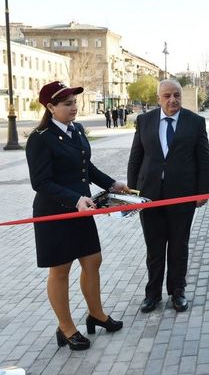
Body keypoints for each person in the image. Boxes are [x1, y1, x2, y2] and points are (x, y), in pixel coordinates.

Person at [25, 81, 129, 351]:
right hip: (54, 213)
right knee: (60, 270)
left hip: (82, 209)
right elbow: (40, 182)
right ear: (51, 107)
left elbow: (86, 167)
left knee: (93, 260)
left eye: (75, 102)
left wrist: (112, 184)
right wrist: (74, 199)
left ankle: (96, 314)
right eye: (67, 104)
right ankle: (66, 328)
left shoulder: (77, 129)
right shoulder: (40, 138)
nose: (74, 107)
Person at [127, 79, 209, 313]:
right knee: (154, 248)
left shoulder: (195, 122)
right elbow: (135, 158)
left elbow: (204, 160)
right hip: (149, 195)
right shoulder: (144, 121)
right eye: (167, 96)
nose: (172, 100)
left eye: (176, 95)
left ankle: (177, 291)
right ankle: (152, 294)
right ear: (158, 99)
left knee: (178, 247)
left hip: (182, 196)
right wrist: (132, 193)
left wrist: (203, 191)